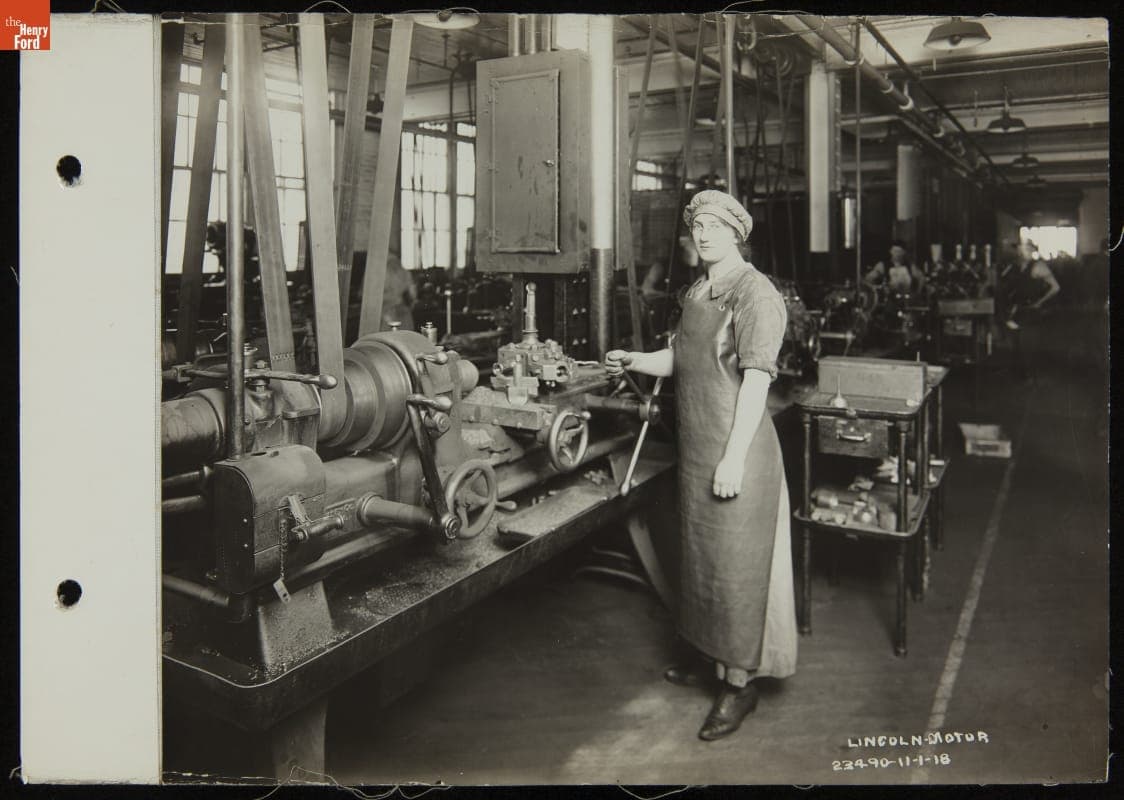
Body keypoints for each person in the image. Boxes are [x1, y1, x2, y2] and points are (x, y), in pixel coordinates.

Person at [605, 190, 796, 741]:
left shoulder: (755, 294)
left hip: (739, 454)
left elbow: (756, 382)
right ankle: (709, 655)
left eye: (716, 225)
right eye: (698, 226)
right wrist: (635, 359)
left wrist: (733, 458)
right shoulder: (697, 292)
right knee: (703, 564)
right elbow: (681, 359)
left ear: (737, 234)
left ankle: (738, 685)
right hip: (697, 452)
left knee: (736, 572)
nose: (705, 234)